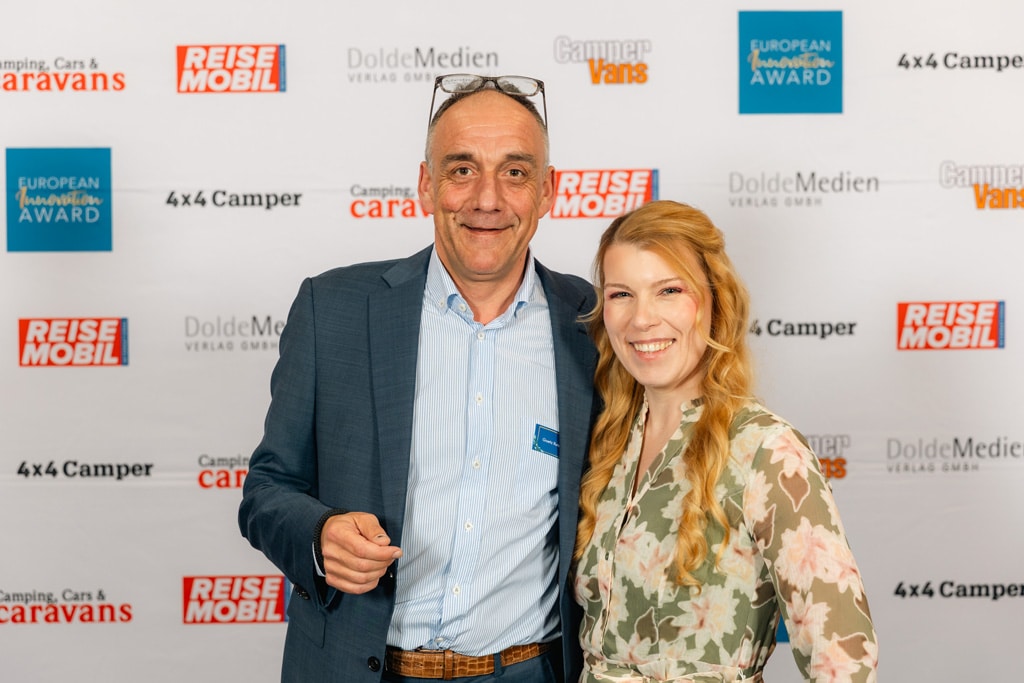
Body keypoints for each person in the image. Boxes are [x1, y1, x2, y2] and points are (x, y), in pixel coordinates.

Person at [239, 74, 598, 683]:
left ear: (547, 191)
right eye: (462, 169)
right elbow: (267, 489)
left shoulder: (594, 324)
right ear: (427, 185)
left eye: (515, 172)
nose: (487, 199)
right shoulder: (333, 309)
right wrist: (318, 536)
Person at [573, 200, 878, 682]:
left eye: (669, 290)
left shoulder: (766, 450)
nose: (641, 319)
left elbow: (843, 660)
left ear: (716, 300)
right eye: (621, 294)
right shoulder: (607, 442)